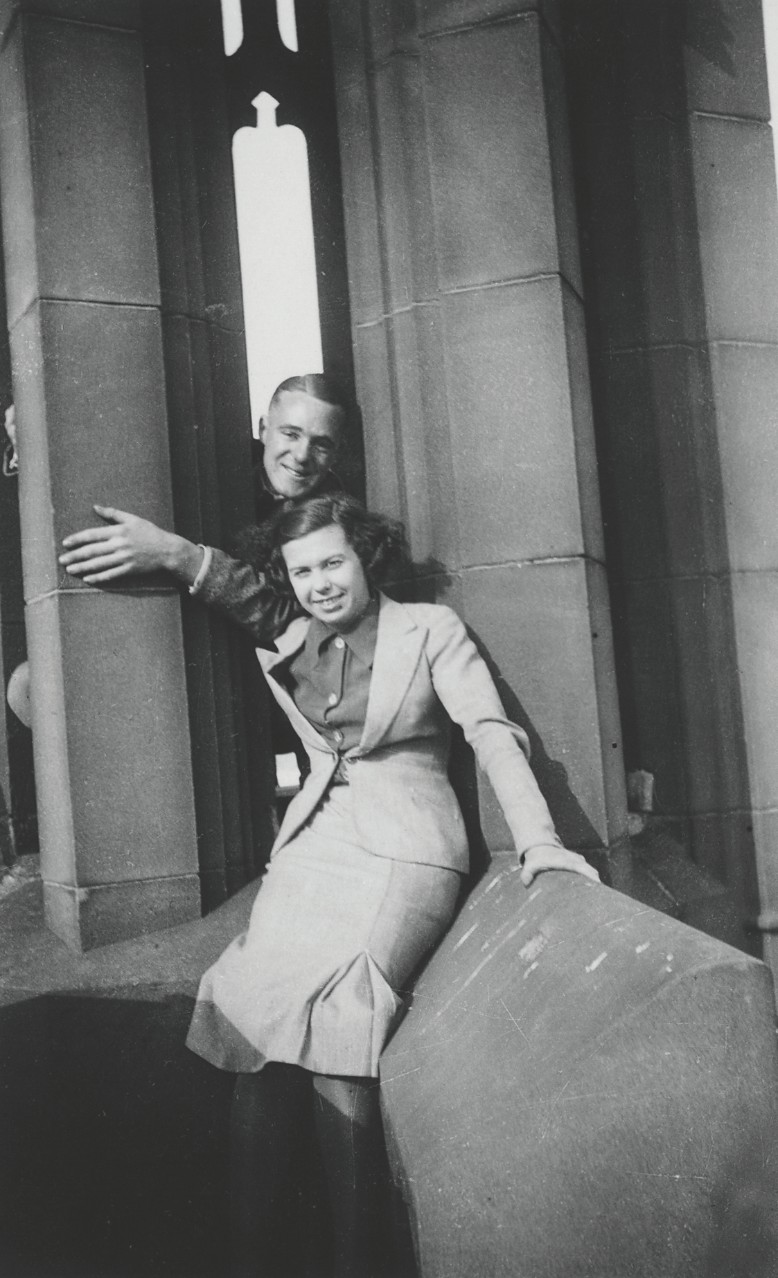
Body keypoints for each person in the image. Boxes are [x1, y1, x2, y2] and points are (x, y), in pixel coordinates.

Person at [184, 492, 600, 1278]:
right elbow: (232, 589)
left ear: (365, 558)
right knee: (253, 1019)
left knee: (341, 1019)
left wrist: (539, 841)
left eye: (333, 563)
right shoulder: (291, 638)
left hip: (408, 849)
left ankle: (357, 1261)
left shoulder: (430, 631)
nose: (320, 583)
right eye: (303, 571)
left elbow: (490, 733)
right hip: (315, 850)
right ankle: (246, 1258)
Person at [57, 373, 347, 623]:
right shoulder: (214, 468)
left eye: (321, 445)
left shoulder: (339, 520)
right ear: (262, 429)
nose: (301, 455)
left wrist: (176, 555)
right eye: (291, 434)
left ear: (336, 453)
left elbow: (291, 615)